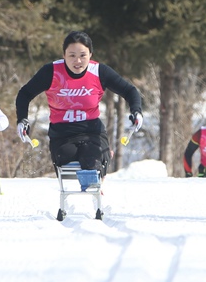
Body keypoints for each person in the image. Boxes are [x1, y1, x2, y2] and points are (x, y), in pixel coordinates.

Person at [15, 31, 143, 179]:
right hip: (62, 133)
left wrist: (136, 111)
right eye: (72, 55)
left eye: (83, 55)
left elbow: (130, 90)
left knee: (92, 159)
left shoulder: (99, 71)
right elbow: (25, 94)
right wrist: (22, 119)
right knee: (69, 158)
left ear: (90, 55)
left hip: (92, 131)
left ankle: (98, 173)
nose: (78, 61)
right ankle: (85, 184)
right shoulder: (51, 72)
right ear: (64, 55)